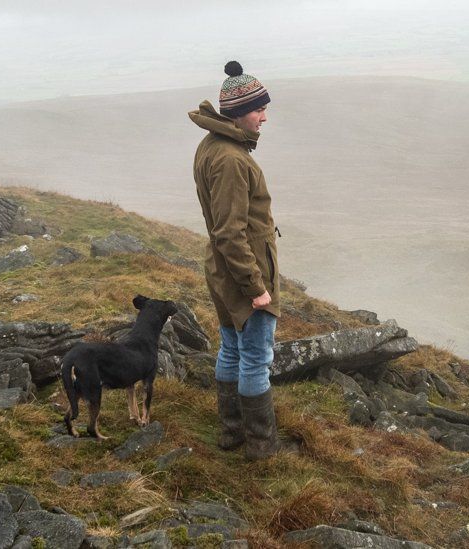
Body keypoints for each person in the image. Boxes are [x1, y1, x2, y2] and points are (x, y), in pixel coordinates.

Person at [190, 61, 282, 460]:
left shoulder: (214, 145)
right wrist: (257, 288)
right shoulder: (230, 159)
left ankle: (232, 433)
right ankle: (261, 446)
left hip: (222, 273)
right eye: (258, 109)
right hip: (243, 276)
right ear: (237, 112)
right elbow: (231, 232)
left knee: (231, 348)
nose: (264, 117)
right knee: (255, 357)